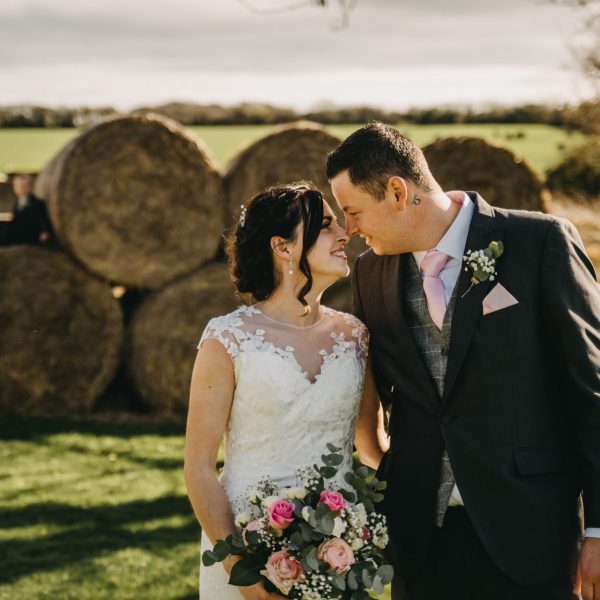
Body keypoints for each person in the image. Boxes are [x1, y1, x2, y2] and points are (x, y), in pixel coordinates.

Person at [326, 122, 600, 600]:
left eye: (353, 212)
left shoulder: (540, 242)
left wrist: (598, 529)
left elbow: (591, 392)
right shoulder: (369, 273)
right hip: (420, 542)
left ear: (397, 192)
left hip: (531, 533)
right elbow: (379, 398)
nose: (349, 230)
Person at [184, 183, 388, 600]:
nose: (344, 234)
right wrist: (241, 570)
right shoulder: (227, 339)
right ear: (282, 246)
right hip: (244, 543)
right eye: (326, 225)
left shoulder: (354, 336)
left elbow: (371, 446)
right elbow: (199, 469)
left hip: (336, 549)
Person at [0, 174, 53, 246]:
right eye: (17, 186)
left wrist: (45, 231)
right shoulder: (18, 201)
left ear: (31, 187)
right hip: (18, 230)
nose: (20, 189)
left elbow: (43, 218)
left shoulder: (37, 203)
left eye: (23, 186)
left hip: (29, 232)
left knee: (7, 231)